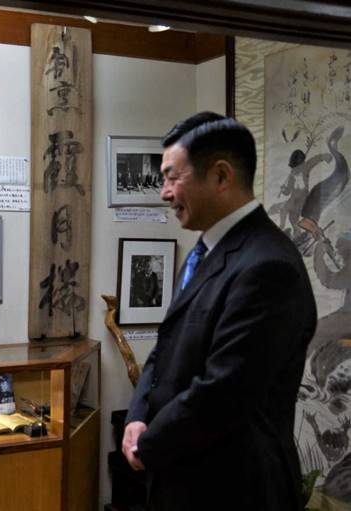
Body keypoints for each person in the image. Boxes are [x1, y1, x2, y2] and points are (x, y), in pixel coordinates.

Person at [121, 112, 317, 511]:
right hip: (184, 474)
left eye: (172, 177)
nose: (164, 193)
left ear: (221, 176)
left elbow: (223, 392)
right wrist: (137, 416)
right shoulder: (205, 250)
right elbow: (164, 349)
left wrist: (149, 444)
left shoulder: (268, 266)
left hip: (233, 487)